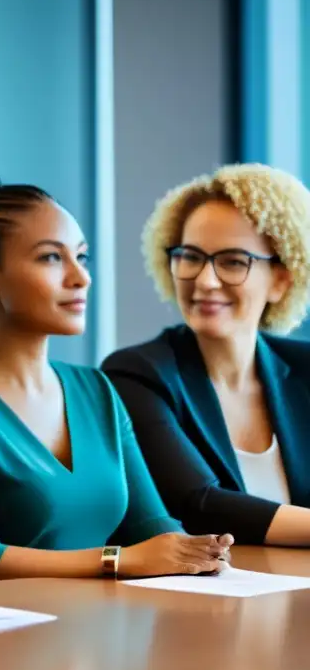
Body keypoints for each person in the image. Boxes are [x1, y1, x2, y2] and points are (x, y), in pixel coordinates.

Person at [0, 170, 232, 588]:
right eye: (51, 257)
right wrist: (117, 560)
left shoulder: (97, 390)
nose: (81, 277)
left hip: (105, 633)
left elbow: (150, 521)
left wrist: (196, 550)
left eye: (81, 256)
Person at [102, 163, 310, 545]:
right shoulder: (137, 374)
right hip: (208, 600)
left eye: (233, 262)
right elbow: (197, 504)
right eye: (191, 257)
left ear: (282, 280)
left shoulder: (306, 367)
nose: (205, 280)